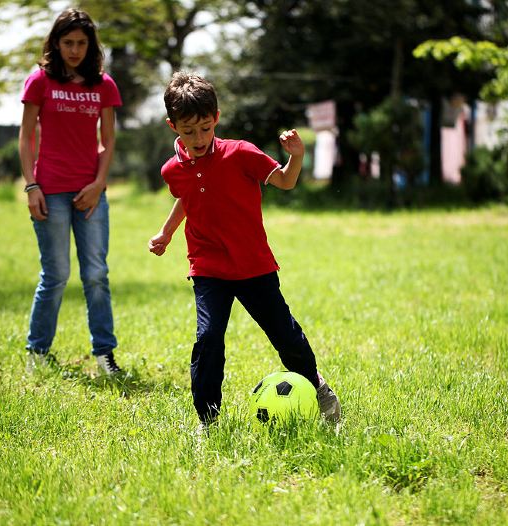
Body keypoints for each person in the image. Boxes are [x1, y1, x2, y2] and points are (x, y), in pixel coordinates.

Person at [148, 72, 341, 425]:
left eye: (205, 128)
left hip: (253, 265)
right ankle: (208, 420)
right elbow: (186, 199)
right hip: (208, 267)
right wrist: (166, 233)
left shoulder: (241, 153)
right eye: (188, 131)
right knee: (208, 339)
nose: (199, 138)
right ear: (172, 125)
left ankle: (317, 388)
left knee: (284, 334)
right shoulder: (172, 170)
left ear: (216, 117)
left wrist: (296, 156)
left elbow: (285, 180)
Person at [19, 8, 123, 375]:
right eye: (68, 43)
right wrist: (31, 186)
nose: (75, 50)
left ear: (91, 45)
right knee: (57, 274)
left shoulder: (104, 85)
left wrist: (98, 184)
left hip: (90, 193)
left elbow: (108, 140)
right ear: (56, 43)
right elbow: (26, 136)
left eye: (81, 43)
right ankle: (38, 352)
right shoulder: (40, 81)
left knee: (96, 274)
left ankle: (105, 354)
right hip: (49, 191)